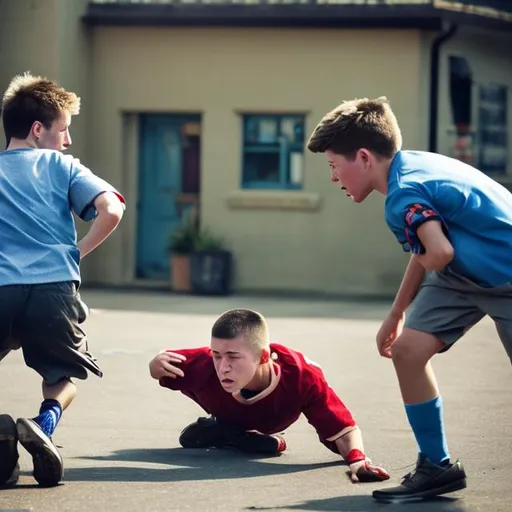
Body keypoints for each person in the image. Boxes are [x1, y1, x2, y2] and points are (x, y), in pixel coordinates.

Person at [306, 96, 512, 501]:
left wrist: (425, 279)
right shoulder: (411, 166)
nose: (334, 178)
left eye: (334, 166)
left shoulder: (402, 193)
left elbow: (437, 253)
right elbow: (431, 251)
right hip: (464, 274)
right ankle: (437, 467)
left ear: (363, 157)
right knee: (408, 350)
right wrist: (397, 313)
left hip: (504, 279)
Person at [0, 72, 125, 488]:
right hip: (54, 287)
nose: (67, 141)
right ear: (38, 130)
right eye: (64, 130)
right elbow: (111, 209)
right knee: (60, 377)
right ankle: (43, 424)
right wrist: (76, 253)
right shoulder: (64, 166)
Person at [149, 308, 390, 484]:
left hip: (270, 420)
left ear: (264, 356)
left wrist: (358, 461)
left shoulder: (302, 377)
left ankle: (240, 434)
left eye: (233, 356)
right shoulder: (204, 363)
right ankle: (228, 431)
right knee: (215, 423)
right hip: (227, 412)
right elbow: (162, 362)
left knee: (266, 434)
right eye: (217, 355)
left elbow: (344, 429)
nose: (223, 366)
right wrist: (154, 364)